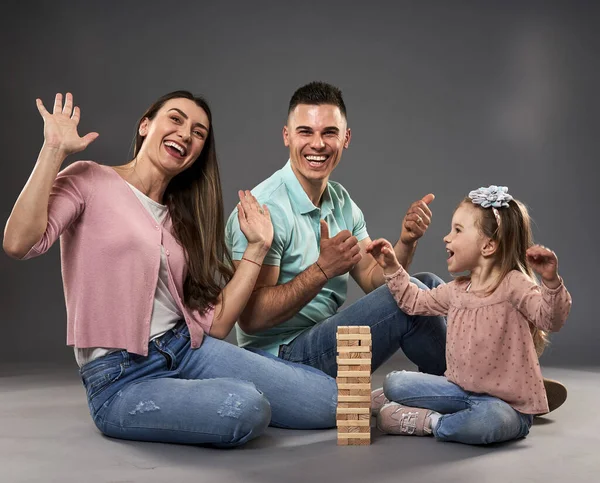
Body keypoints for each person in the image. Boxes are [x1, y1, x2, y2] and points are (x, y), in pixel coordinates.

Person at [3, 91, 337, 448]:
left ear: (197, 153)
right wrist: (53, 150)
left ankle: (395, 401)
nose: (185, 134)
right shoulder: (89, 180)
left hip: (187, 349)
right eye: (175, 119)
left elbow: (218, 324)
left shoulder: (181, 223)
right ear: (146, 125)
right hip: (120, 379)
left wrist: (257, 248)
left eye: (198, 132)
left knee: (331, 400)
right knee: (246, 406)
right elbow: (19, 243)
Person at [225, 81, 567, 415]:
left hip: (327, 343)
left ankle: (483, 384)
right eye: (305, 132)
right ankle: (489, 389)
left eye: (329, 132)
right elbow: (253, 320)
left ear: (346, 138)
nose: (318, 144)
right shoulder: (265, 209)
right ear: (286, 136)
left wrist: (406, 241)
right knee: (408, 299)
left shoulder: (341, 203)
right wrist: (322, 271)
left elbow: (377, 279)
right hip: (282, 358)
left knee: (429, 284)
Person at [366, 186, 571, 445]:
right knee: (395, 383)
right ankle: (401, 399)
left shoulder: (513, 285)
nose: (446, 238)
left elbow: (550, 319)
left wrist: (551, 282)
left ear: (487, 245)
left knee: (490, 421)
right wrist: (392, 267)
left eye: (457, 230)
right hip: (457, 391)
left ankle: (428, 421)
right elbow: (414, 301)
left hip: (504, 406)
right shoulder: (457, 291)